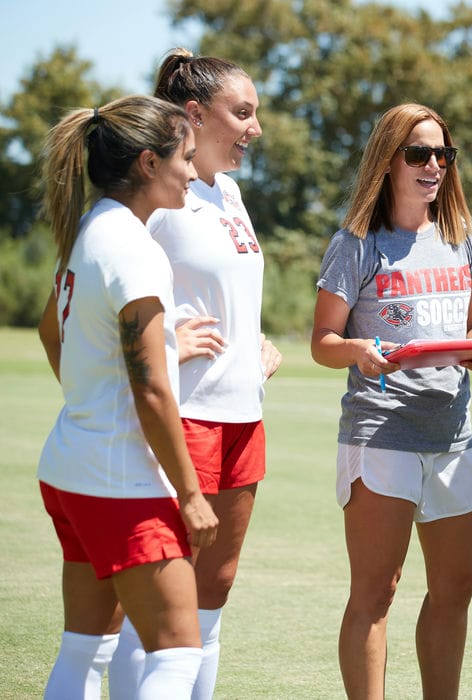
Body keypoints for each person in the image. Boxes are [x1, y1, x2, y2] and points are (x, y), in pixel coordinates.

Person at [311, 103, 472, 699]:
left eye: (442, 154)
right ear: (387, 161)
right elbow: (322, 342)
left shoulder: (463, 238)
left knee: (455, 586)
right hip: (381, 432)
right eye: (418, 154)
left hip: (452, 434)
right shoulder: (356, 243)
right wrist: (360, 350)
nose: (433, 166)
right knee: (377, 591)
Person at [107, 49, 281, 700]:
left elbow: (223, 290)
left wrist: (254, 343)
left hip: (244, 415)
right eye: (242, 113)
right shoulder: (155, 190)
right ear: (193, 114)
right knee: (162, 606)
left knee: (215, 591)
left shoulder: (230, 192)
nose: (254, 129)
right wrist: (164, 343)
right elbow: (110, 283)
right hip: (186, 417)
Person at [36, 95, 218, 699]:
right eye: (186, 157)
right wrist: (191, 496)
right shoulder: (136, 247)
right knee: (178, 654)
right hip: (120, 485)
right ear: (147, 163)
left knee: (86, 652)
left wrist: (99, 390)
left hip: (71, 467)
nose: (193, 172)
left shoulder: (92, 228)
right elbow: (151, 391)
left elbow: (51, 328)